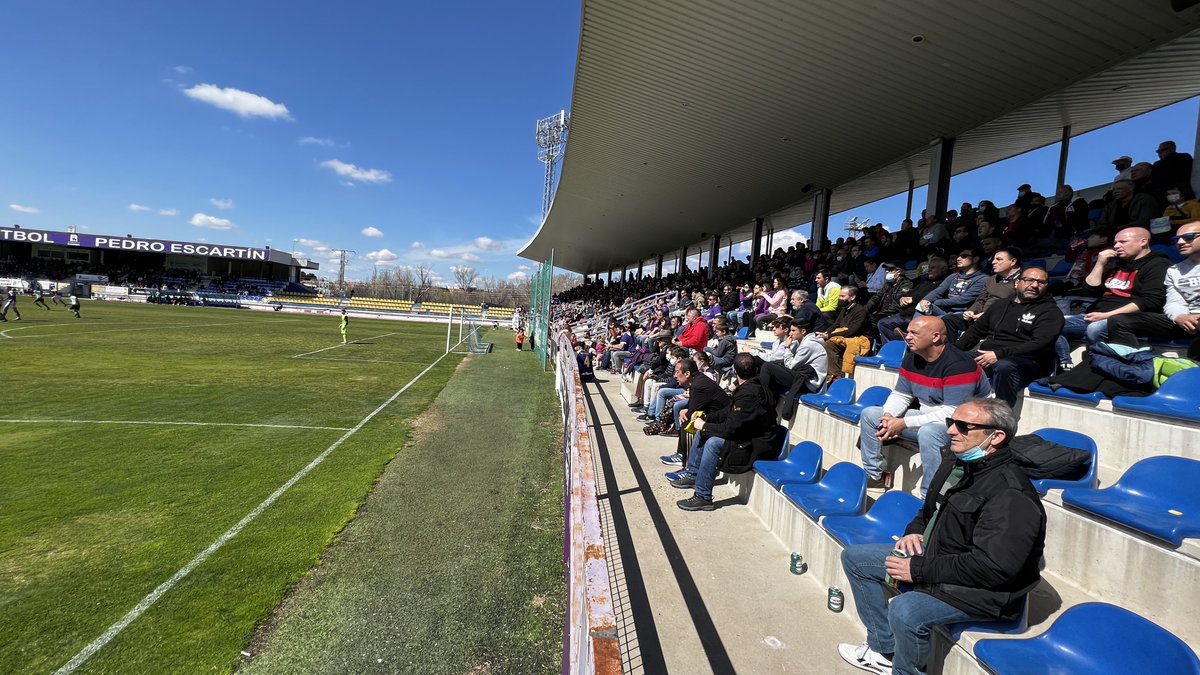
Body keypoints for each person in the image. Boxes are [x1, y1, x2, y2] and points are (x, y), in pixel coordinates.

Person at [838, 398, 1046, 675]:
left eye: (963, 426)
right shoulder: (956, 462)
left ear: (995, 437)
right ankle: (882, 650)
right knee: (856, 559)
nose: (950, 430)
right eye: (951, 422)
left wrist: (919, 570)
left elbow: (995, 568)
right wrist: (914, 533)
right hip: (940, 556)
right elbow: (927, 511)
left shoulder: (1011, 494)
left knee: (906, 610)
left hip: (984, 591)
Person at [858, 316, 992, 498]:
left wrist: (903, 423)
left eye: (914, 333)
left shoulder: (960, 365)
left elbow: (952, 414)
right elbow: (901, 395)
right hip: (929, 417)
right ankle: (874, 475)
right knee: (871, 414)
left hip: (967, 427)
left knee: (929, 433)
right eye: (908, 332)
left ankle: (930, 496)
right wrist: (889, 416)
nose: (907, 337)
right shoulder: (912, 358)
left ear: (935, 337)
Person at [1055, 226, 1170, 370]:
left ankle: (1096, 368)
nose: (1116, 246)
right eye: (1115, 242)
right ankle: (1066, 365)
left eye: (1123, 241)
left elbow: (1151, 301)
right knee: (1046, 323)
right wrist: (1100, 263)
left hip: (1125, 319)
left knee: (1096, 328)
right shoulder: (1116, 264)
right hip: (1095, 314)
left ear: (1143, 242)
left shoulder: (1158, 265)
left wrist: (1107, 315)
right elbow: (1089, 290)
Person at [672, 353, 776, 512]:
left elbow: (732, 429)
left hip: (755, 443)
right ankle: (693, 474)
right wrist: (707, 417)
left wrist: (705, 426)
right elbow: (728, 412)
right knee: (703, 432)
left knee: (713, 443)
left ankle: (703, 496)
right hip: (748, 435)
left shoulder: (749, 393)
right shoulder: (750, 386)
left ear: (735, 371)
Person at [954, 267, 1064, 406]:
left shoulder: (1050, 312)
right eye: (1029, 280)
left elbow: (1040, 344)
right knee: (952, 359)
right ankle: (950, 405)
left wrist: (999, 355)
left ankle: (1002, 415)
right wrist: (952, 352)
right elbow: (975, 331)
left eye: (1041, 282)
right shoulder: (1000, 305)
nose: (1035, 285)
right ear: (1017, 283)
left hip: (1029, 360)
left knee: (1004, 366)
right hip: (991, 355)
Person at [1107, 221, 1200, 360]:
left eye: (1189, 237)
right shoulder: (1175, 270)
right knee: (1118, 321)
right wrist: (1179, 317)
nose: (1180, 242)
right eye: (1176, 239)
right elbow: (1174, 302)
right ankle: (1137, 367)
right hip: (1185, 320)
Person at [940, 247, 1022, 343]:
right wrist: (971, 311)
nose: (993, 262)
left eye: (999, 259)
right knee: (949, 319)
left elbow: (1016, 306)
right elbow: (981, 300)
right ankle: (953, 350)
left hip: (1001, 320)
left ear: (1013, 261)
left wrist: (987, 315)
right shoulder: (992, 279)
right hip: (979, 318)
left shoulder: (1024, 280)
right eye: (994, 259)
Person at [914, 248, 987, 318]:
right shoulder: (953, 276)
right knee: (921, 306)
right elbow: (938, 291)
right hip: (944, 310)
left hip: (962, 313)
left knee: (941, 320)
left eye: (963, 256)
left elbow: (964, 300)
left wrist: (936, 302)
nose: (958, 259)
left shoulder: (982, 279)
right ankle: (912, 330)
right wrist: (926, 300)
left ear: (975, 259)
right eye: (958, 256)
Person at [819, 286, 870, 379]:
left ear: (852, 297)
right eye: (839, 296)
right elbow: (836, 324)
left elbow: (851, 331)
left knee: (829, 344)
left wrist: (829, 336)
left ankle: (836, 375)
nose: (839, 299)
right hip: (844, 336)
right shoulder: (845, 309)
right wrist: (825, 333)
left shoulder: (860, 311)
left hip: (856, 338)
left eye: (842, 296)